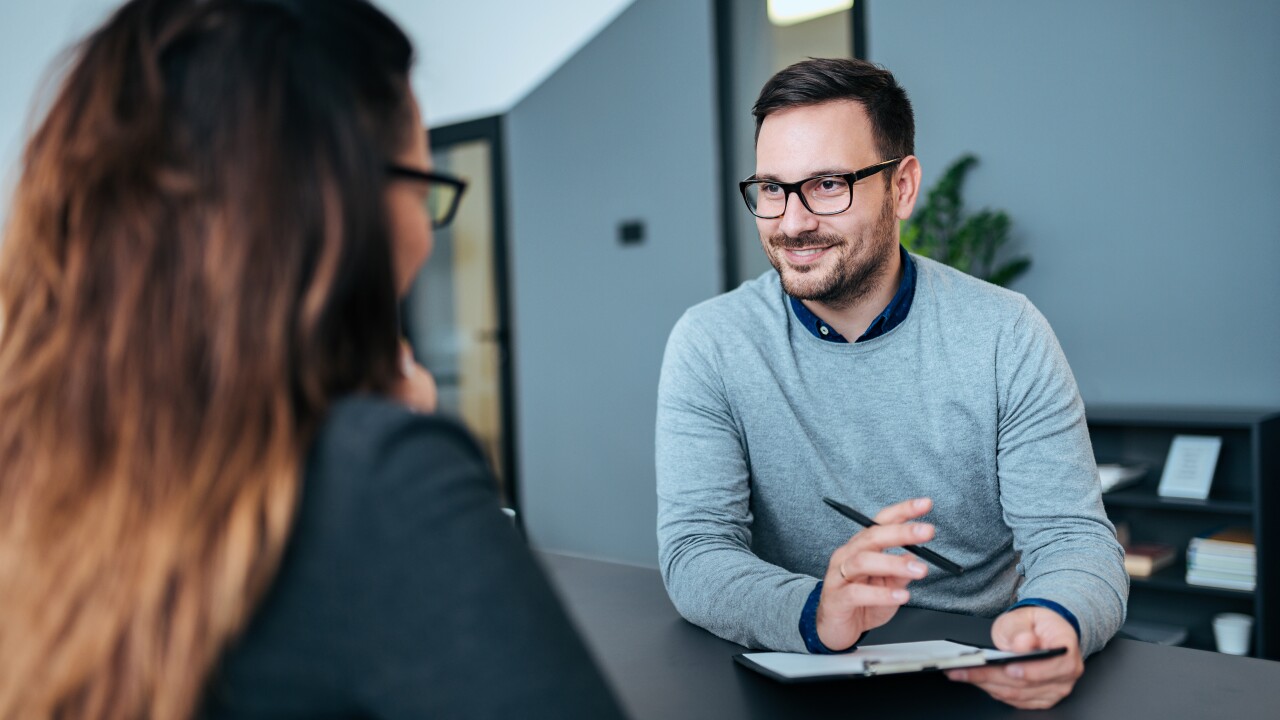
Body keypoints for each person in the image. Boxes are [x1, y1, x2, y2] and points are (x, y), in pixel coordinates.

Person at [0, 1, 624, 717]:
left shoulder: (36, 465)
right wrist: (394, 446)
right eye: (424, 187)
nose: (425, 231)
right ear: (336, 207)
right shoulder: (379, 481)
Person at [656, 57, 1127, 710]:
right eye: (771, 188)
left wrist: (1055, 618)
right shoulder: (711, 342)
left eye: (826, 185)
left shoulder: (1004, 332)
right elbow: (697, 554)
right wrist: (817, 609)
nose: (791, 222)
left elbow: (1073, 540)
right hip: (797, 672)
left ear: (902, 187)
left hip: (976, 668)